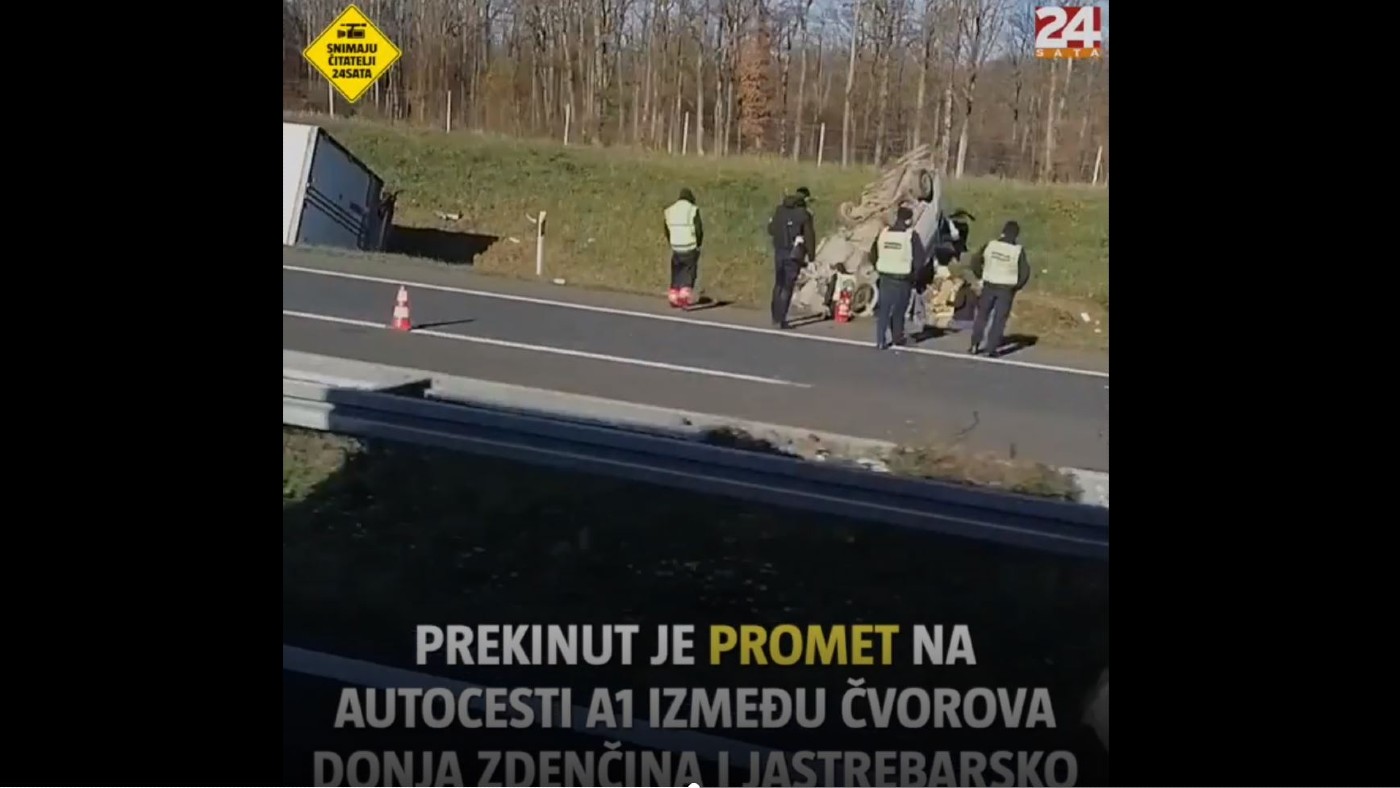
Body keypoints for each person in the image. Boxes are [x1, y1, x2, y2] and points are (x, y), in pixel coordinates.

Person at [969, 220, 1031, 356]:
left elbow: (975, 260)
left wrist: (980, 275)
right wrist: (1016, 286)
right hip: (1006, 288)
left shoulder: (991, 245)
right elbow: (1025, 272)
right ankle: (991, 349)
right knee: (999, 319)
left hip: (989, 284)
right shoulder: (1017, 251)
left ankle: (974, 344)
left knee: (982, 315)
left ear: (1003, 232)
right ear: (1016, 235)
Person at [868, 205, 925, 350]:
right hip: (903, 278)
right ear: (908, 220)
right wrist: (914, 275)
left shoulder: (884, 233)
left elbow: (873, 254)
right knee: (899, 309)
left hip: (885, 277)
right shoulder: (911, 236)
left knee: (884, 310)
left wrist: (879, 266)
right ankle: (897, 337)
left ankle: (880, 340)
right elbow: (920, 258)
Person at [766, 189, 816, 329]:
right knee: (787, 286)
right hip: (794, 254)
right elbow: (809, 237)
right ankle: (781, 319)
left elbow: (771, 230)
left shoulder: (779, 211)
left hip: (779, 251)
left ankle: (775, 316)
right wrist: (811, 258)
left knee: (779, 284)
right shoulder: (804, 215)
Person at [662, 188, 703, 307]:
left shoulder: (669, 210)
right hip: (689, 246)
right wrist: (698, 243)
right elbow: (698, 229)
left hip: (676, 246)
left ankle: (673, 293)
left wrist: (672, 242)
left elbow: (667, 229)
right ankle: (685, 292)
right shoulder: (693, 210)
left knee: (677, 269)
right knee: (689, 269)